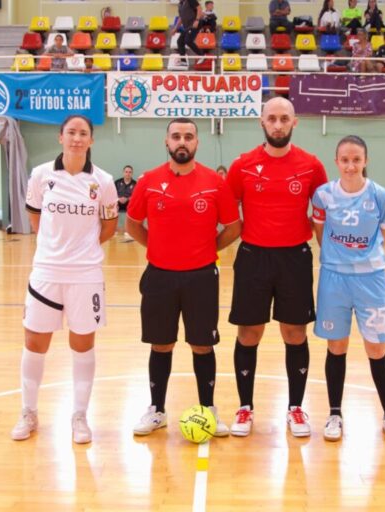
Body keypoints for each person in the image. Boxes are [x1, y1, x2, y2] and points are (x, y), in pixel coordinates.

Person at [126, 118, 241, 437]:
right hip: (159, 276)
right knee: (160, 344)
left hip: (201, 277)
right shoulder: (148, 181)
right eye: (176, 136)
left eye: (188, 136)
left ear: (197, 143)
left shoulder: (215, 183)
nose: (182, 141)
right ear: (166, 142)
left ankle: (209, 410)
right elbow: (133, 225)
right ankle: (157, 410)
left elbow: (233, 228)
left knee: (202, 345)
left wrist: (206, 250)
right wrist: (160, 248)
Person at [11, 114, 119, 444]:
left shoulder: (103, 181)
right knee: (35, 343)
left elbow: (109, 226)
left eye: (83, 133)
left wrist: (82, 248)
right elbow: (35, 218)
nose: (76, 138)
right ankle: (28, 411)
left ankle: (80, 416)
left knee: (82, 344)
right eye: (71, 132)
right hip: (46, 272)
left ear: (91, 140)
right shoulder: (41, 175)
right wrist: (57, 248)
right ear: (60, 137)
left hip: (85, 274)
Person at [225, 97, 328, 438]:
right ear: (262, 122)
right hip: (254, 257)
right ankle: (245, 407)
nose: (278, 124)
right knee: (248, 333)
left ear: (295, 122)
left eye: (285, 118)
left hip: (294, 258)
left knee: (294, 333)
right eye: (272, 118)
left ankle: (296, 408)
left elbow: (325, 212)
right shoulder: (242, 165)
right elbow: (226, 211)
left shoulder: (312, 165)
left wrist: (330, 252)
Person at [311, 135, 385, 445]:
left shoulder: (380, 195)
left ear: (365, 161)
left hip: (371, 280)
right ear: (336, 162)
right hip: (334, 279)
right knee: (336, 347)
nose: (350, 166)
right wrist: (340, 256)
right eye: (345, 160)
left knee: (376, 348)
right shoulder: (323, 195)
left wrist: (359, 254)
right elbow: (320, 233)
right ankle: (335, 413)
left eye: (356, 159)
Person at [174, 0, 205, 66]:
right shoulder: (180, 4)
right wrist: (175, 28)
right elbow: (181, 18)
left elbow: (199, 8)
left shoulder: (190, 0)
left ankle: (201, 55)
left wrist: (197, 20)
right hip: (187, 27)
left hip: (194, 24)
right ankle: (183, 61)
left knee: (188, 40)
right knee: (180, 41)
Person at [114, 164, 136, 240]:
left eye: (130, 172)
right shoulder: (117, 182)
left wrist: (128, 199)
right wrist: (118, 198)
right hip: (118, 202)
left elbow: (136, 196)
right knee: (112, 207)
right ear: (123, 172)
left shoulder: (135, 184)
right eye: (126, 172)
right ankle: (114, 230)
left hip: (129, 203)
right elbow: (112, 194)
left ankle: (129, 231)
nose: (128, 173)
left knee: (133, 207)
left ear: (132, 173)